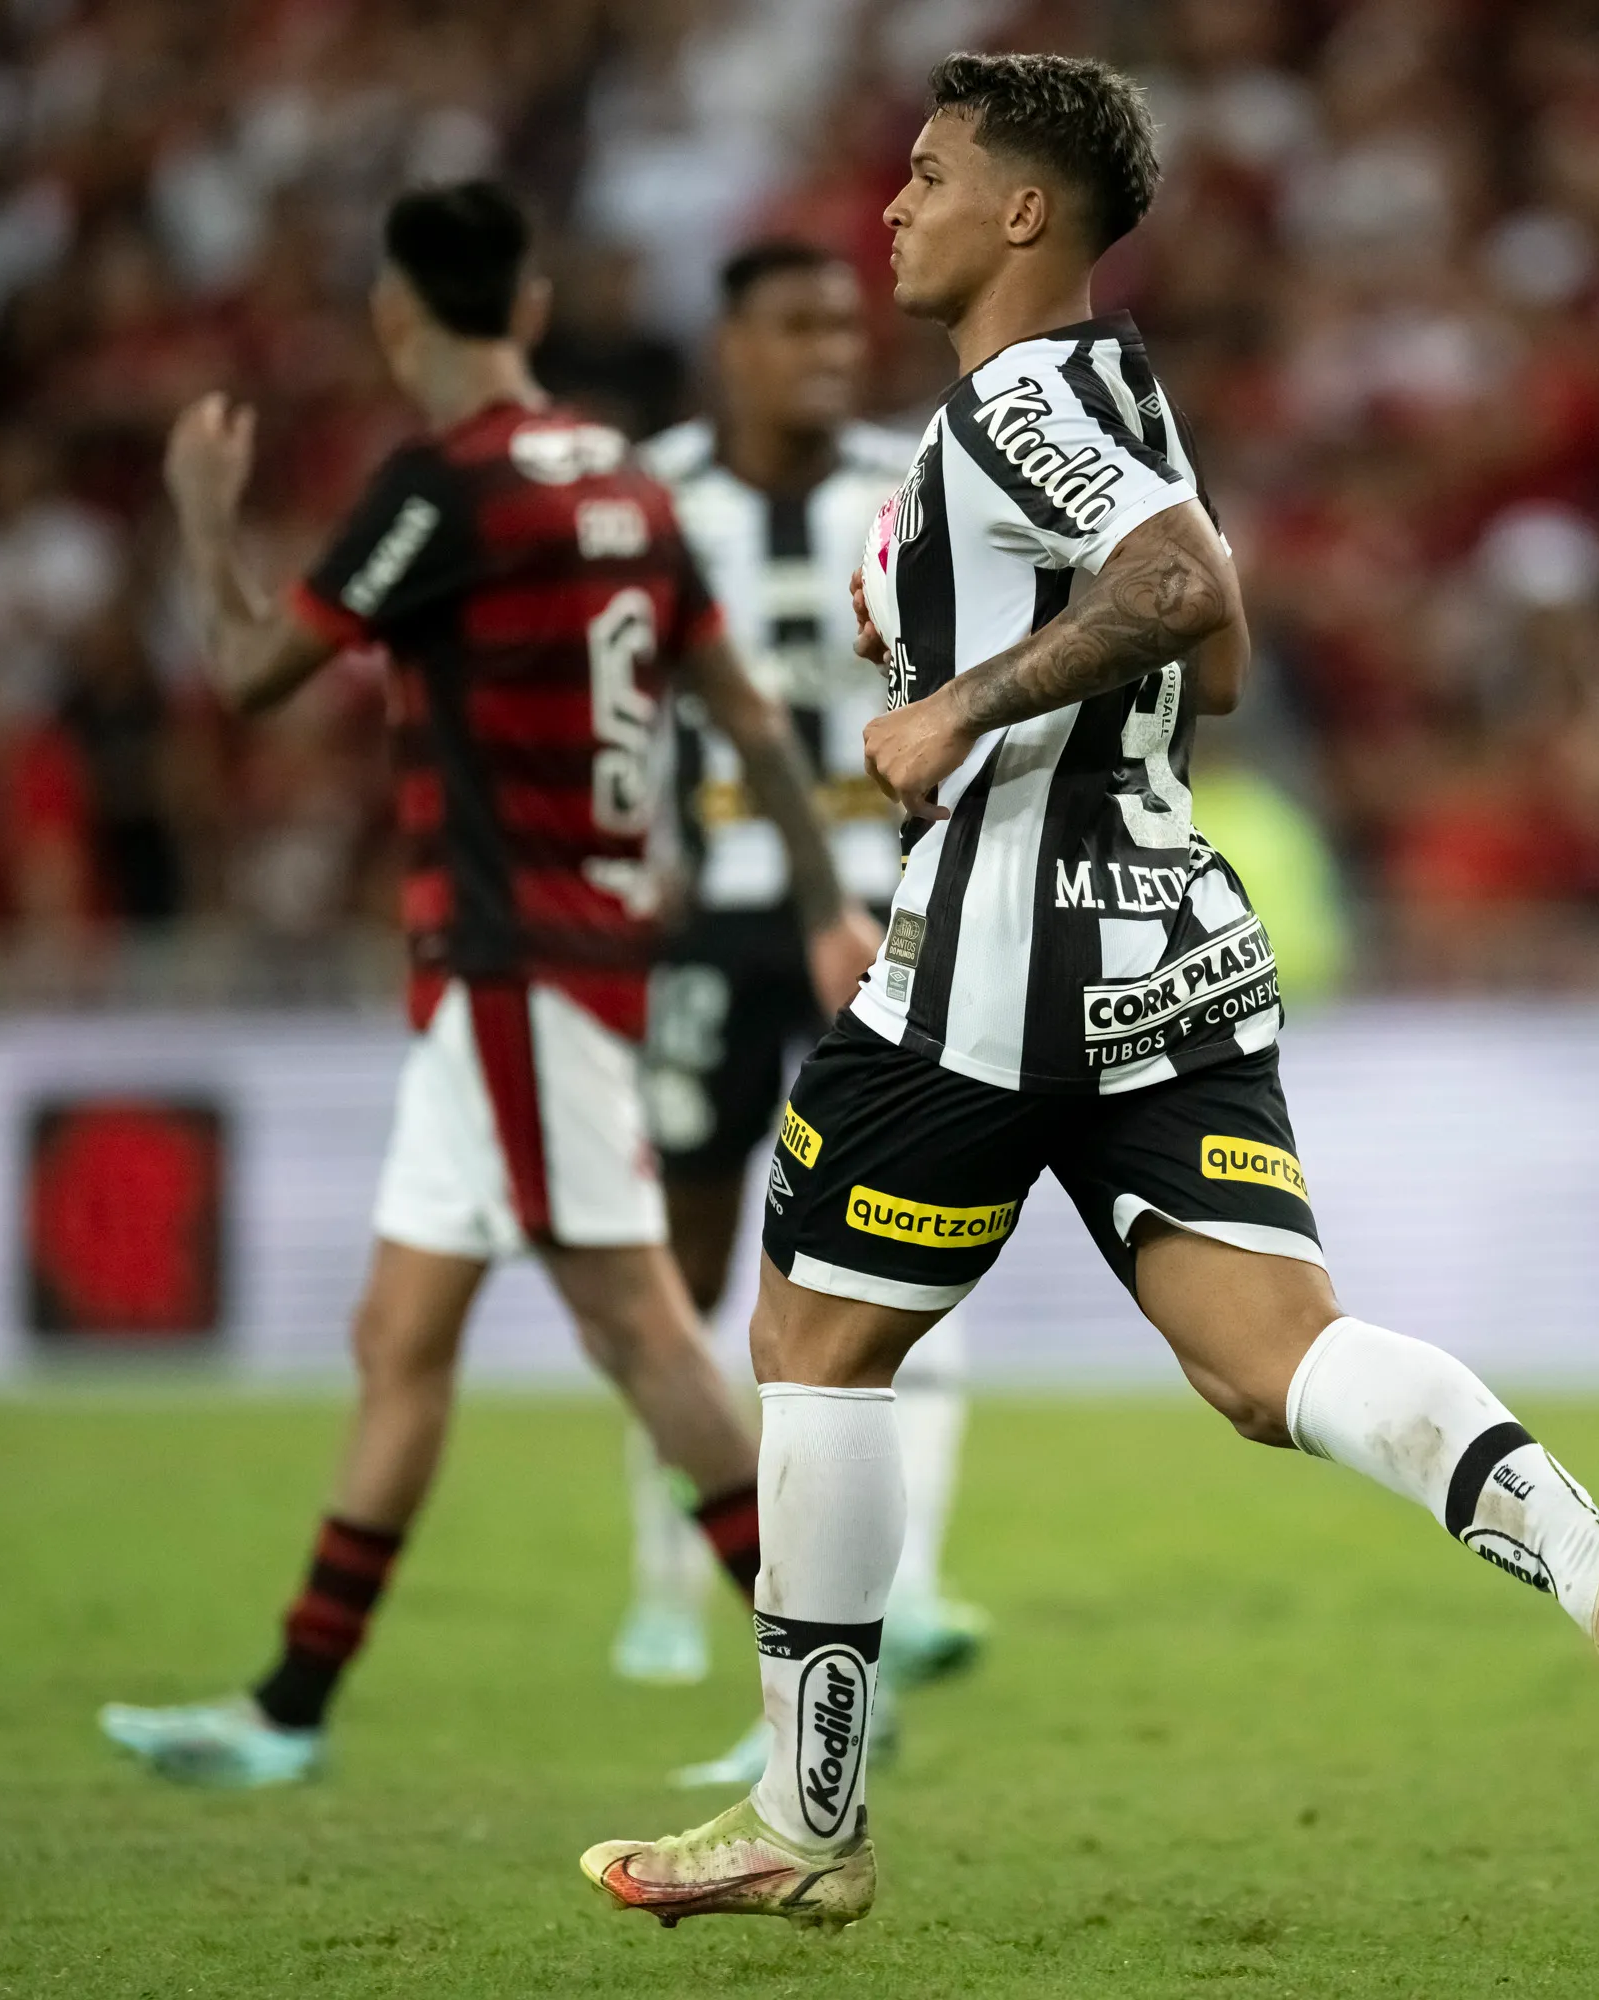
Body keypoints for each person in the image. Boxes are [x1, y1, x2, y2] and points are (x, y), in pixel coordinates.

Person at [579, 55, 1599, 1933]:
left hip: (994, 948)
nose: (895, 206)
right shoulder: (1117, 390)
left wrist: (956, 703)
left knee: (809, 1343)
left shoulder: (1022, 399)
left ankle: (809, 1819)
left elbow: (1185, 580)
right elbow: (1219, 652)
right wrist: (1055, 649)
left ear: (1024, 213)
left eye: (932, 174)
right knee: (1271, 1359)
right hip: (1168, 929)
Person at [97, 181, 877, 1787]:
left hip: (522, 964)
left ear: (398, 317)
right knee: (400, 1334)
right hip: (528, 973)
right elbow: (740, 715)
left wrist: (199, 512)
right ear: (524, 310)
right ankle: (290, 1711)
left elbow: (250, 676)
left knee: (646, 1333)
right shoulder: (621, 478)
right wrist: (820, 898)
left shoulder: (442, 491)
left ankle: (824, 1693)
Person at [613, 238, 987, 1786]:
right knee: (687, 1268)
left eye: (845, 323)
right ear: (730, 344)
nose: (832, 347)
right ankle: (661, 1592)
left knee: (895, 1243)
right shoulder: (648, 495)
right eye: (795, 325)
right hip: (702, 923)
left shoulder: (912, 485)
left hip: (873, 916)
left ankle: (903, 1590)